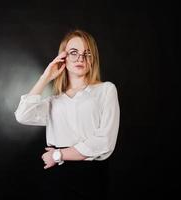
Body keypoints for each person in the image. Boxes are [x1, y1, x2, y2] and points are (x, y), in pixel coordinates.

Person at [14, 29, 120, 199]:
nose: (80, 58)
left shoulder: (105, 90)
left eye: (87, 53)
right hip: (56, 175)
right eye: (73, 52)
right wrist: (46, 77)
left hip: (90, 175)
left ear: (93, 59)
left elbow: (105, 141)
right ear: (63, 57)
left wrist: (58, 154)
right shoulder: (54, 101)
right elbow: (22, 115)